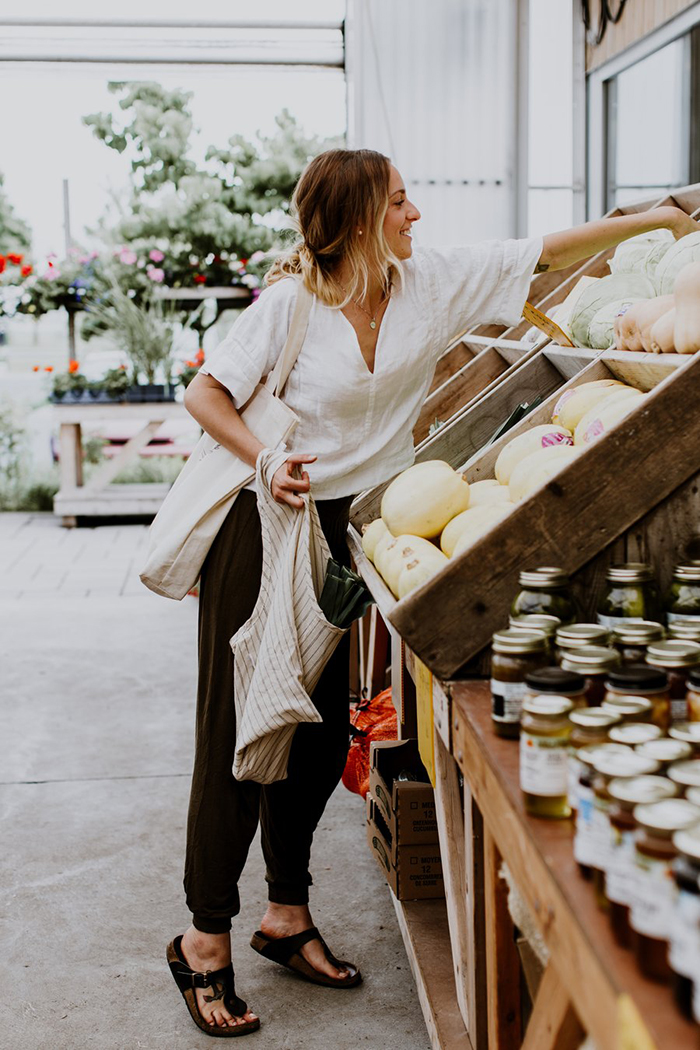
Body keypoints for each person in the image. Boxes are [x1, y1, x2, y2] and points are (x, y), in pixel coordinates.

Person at [168, 148, 699, 1037]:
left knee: (321, 730)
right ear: (357, 222)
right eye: (401, 203)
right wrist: (265, 459)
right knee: (239, 730)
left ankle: (285, 914)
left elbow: (548, 249)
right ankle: (203, 938)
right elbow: (206, 392)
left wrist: (668, 217)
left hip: (354, 530)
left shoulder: (430, 283)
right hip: (266, 527)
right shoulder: (293, 307)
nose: (417, 216)